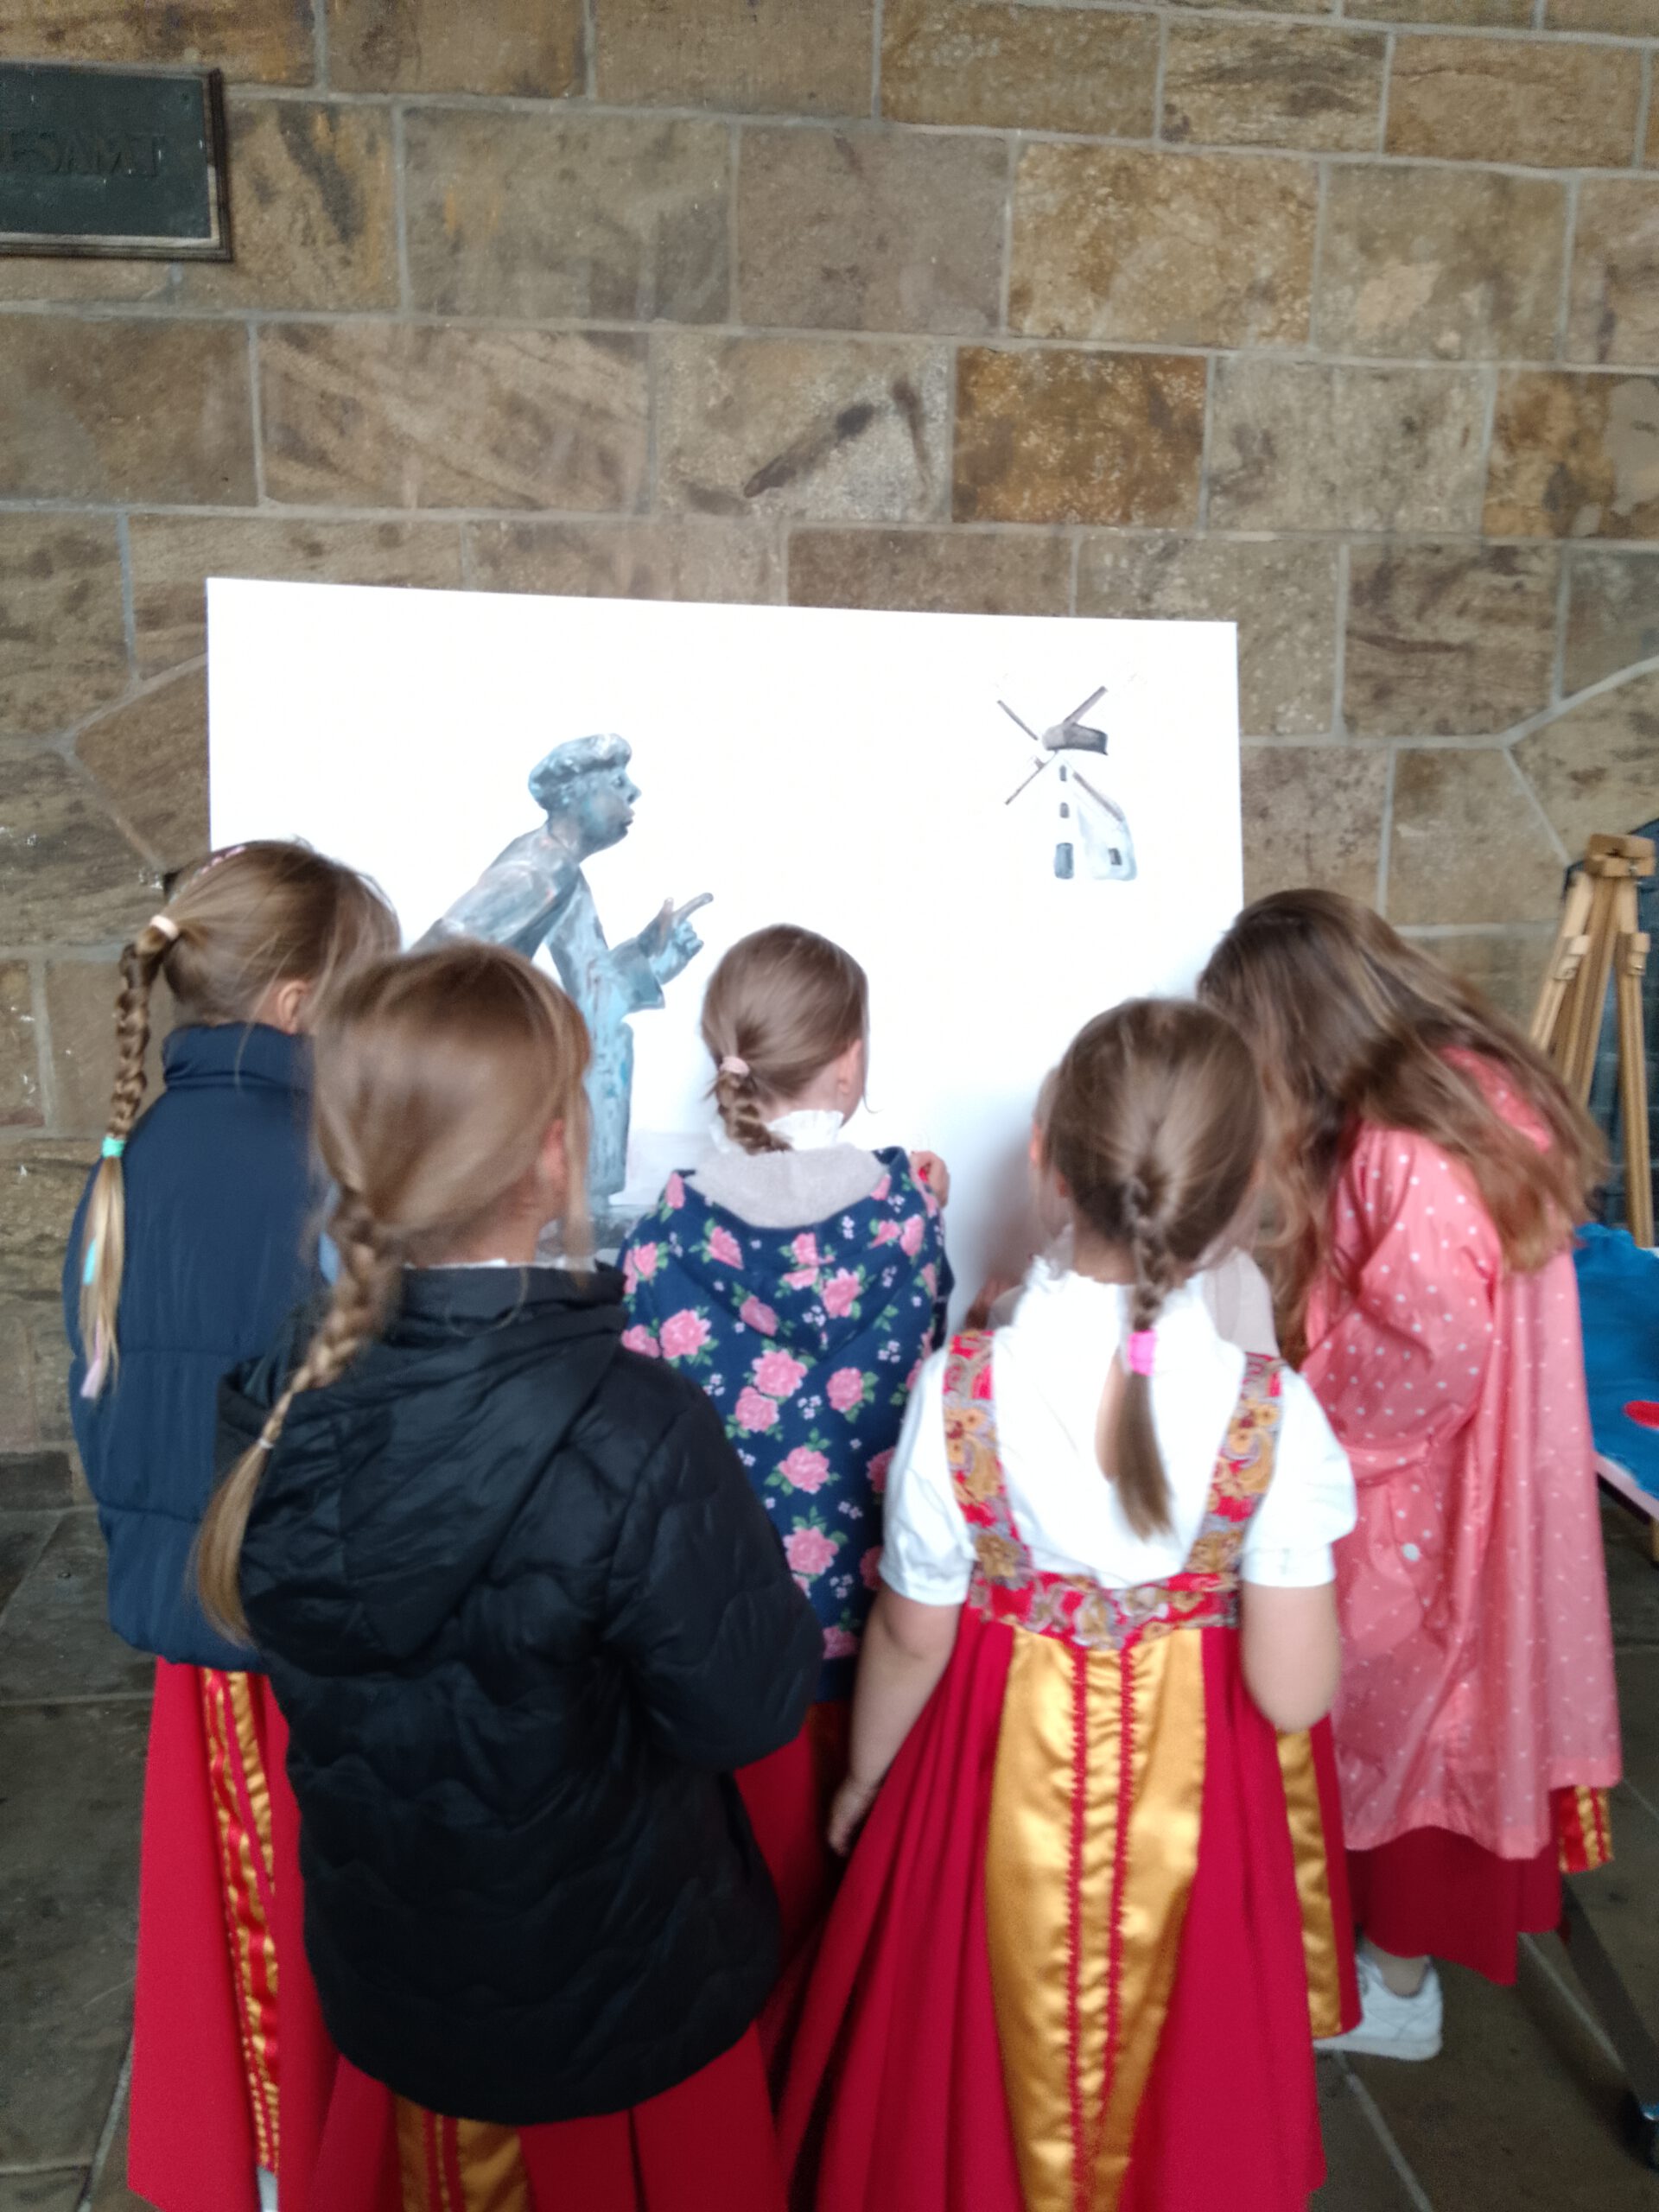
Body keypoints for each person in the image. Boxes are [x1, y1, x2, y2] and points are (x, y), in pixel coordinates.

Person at [200, 942, 822, 2212]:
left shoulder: (274, 1397)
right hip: (620, 1986)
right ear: (553, 1152)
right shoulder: (639, 1429)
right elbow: (748, 1712)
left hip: (392, 1967)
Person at [777, 1000, 1357, 2212]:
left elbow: (911, 1632)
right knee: (1182, 2077)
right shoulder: (1274, 1413)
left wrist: (867, 1779)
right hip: (1201, 1817)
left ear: (1046, 1159)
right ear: (1245, 1187)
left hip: (986, 1787)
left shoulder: (960, 1389)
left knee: (971, 2054)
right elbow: (1293, 1691)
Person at [1199, 889, 1622, 2058]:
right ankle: (1385, 1967)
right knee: (1437, 1717)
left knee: (1406, 1719)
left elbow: (1428, 1350)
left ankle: (1392, 1988)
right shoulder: (1468, 1082)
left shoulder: (1405, 1144)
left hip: (1424, 1487)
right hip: (1477, 1467)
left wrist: (1287, 1419)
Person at [61, 840, 398, 2212]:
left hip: (189, 1624)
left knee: (232, 1927)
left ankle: (267, 2166)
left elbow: (102, 1408)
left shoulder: (123, 1164)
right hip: (300, 1642)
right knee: (302, 1935)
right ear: (300, 1004)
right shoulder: (326, 1176)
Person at [618, 925, 950, 1966]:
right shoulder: (910, 1217)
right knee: (860, 1925)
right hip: (884, 1629)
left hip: (725, 1634)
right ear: (849, 1061)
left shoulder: (661, 1240)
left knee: (738, 1906)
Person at [418, 733, 709, 1233]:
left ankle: (587, 1205)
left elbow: (594, 987)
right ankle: (582, 1206)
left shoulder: (564, 872)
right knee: (593, 1040)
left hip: (477, 1044)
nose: (633, 792)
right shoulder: (538, 870)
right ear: (578, 794)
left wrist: (651, 956)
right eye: (617, 781)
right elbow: (438, 951)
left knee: (606, 1035)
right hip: (450, 1051)